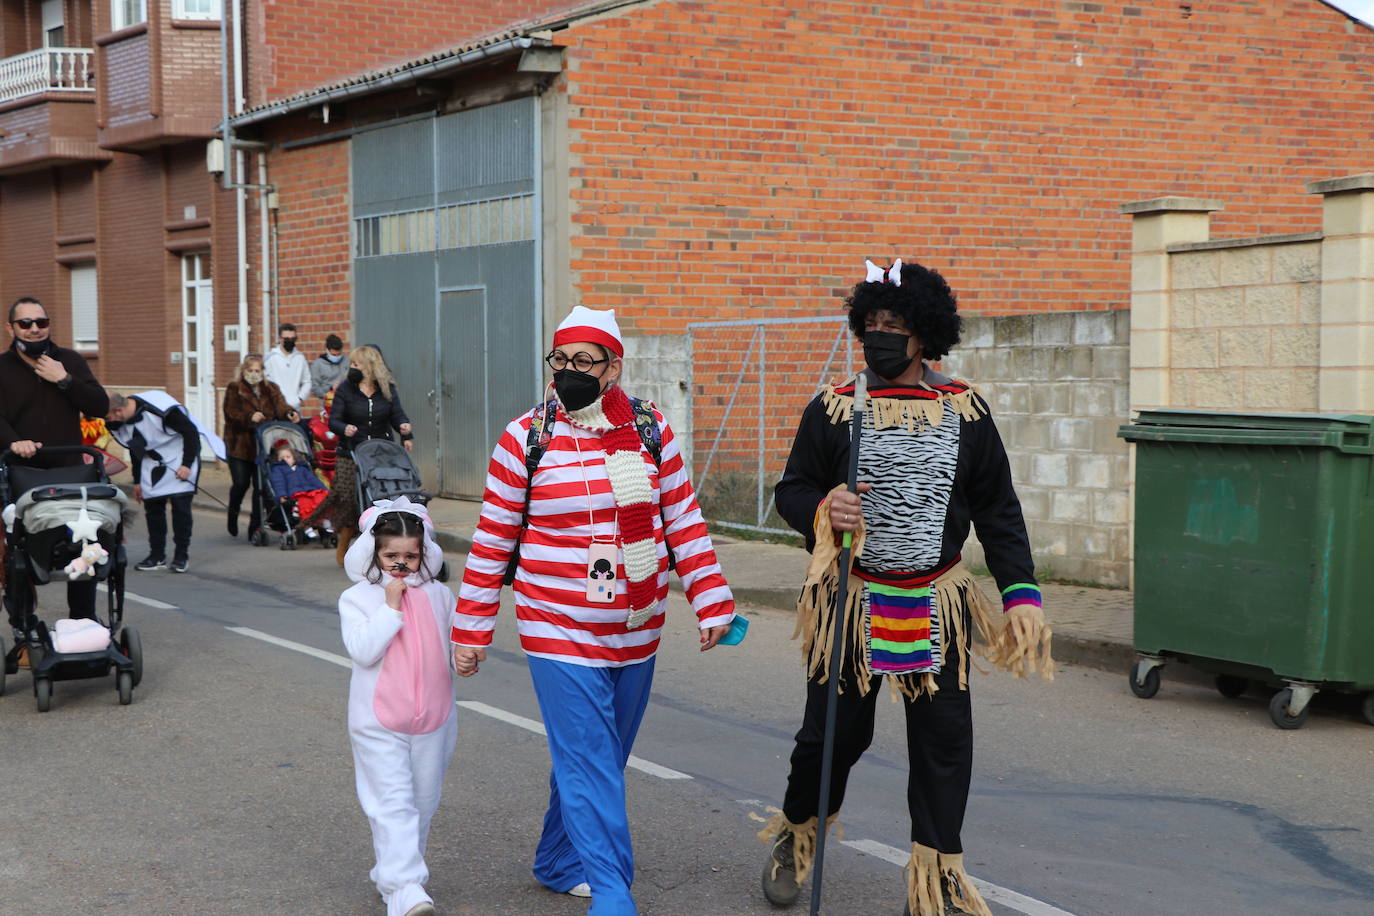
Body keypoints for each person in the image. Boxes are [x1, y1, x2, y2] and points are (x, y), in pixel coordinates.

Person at [757, 261, 1053, 916]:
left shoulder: (965, 411)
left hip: (936, 602)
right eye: (871, 325)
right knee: (831, 739)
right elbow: (792, 490)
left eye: (895, 325)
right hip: (852, 603)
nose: (881, 336)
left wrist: (1021, 593)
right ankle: (796, 834)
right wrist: (824, 508)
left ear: (925, 334)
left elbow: (998, 510)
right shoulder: (834, 409)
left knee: (944, 744)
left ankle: (935, 879)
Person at [451, 306, 736, 915]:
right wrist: (471, 629)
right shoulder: (525, 436)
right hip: (554, 622)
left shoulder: (652, 429)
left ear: (613, 367)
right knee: (589, 760)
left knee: (600, 757)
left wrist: (711, 602)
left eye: (586, 360)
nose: (570, 371)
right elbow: (493, 539)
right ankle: (612, 892)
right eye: (562, 359)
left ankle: (557, 859)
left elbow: (681, 521)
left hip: (636, 624)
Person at [340, 498, 467, 916]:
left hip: (434, 718)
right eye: (391, 555)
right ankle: (407, 888)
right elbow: (363, 651)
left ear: (424, 554)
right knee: (392, 802)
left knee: (423, 804)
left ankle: (394, 880)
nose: (401, 564)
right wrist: (390, 608)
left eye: (410, 556)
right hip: (377, 720)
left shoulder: (439, 596)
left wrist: (462, 657)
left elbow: (450, 646)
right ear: (372, 553)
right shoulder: (358, 598)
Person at [0, 297, 109, 624]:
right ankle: (23, 628)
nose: (34, 329)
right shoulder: (2, 367)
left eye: (41, 322)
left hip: (70, 471)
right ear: (11, 328)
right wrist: (13, 442)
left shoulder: (70, 361)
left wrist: (64, 379)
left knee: (83, 547)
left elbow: (100, 406)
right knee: (17, 557)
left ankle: (83, 621)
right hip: (21, 472)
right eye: (26, 323)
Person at [305, 345, 413, 566]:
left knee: (381, 497)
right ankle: (344, 542)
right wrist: (344, 428)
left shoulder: (387, 388)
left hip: (380, 453)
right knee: (348, 500)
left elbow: (397, 414)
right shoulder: (346, 389)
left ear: (370, 367)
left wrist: (405, 430)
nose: (352, 368)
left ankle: (384, 545)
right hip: (351, 452)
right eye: (351, 364)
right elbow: (334, 419)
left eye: (356, 364)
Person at [106, 390, 223, 574]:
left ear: (119, 410)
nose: (110, 420)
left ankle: (181, 556)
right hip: (151, 461)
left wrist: (186, 465)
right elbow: (135, 448)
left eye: (110, 415)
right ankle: (157, 555)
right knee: (153, 509)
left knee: (180, 509)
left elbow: (191, 432)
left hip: (179, 455)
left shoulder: (160, 411)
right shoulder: (119, 424)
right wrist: (137, 482)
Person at [222, 354, 297, 538]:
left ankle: (255, 526)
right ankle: (233, 513)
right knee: (240, 483)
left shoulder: (271, 388)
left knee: (260, 486)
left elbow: (281, 406)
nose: (254, 374)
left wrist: (289, 413)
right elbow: (230, 413)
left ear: (263, 372)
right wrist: (249, 417)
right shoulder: (235, 388)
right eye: (250, 370)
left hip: (263, 446)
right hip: (240, 446)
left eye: (257, 371)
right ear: (243, 371)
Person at [268, 444, 328, 539]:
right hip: (295, 494)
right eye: (282, 458)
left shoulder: (302, 469)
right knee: (303, 503)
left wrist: (324, 489)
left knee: (321, 498)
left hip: (310, 491)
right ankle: (306, 526)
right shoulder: (278, 469)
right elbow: (279, 483)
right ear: (277, 460)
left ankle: (324, 522)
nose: (285, 459)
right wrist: (282, 495)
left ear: (294, 458)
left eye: (288, 457)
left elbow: (313, 480)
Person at [263, 322, 311, 416]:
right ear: (280, 339)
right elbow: (265, 381)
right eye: (286, 339)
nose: (290, 341)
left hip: (294, 408)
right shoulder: (270, 357)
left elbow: (307, 381)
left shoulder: (300, 358)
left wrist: (300, 398)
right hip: (275, 408)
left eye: (293, 339)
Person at [310, 333, 349, 400]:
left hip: (346, 401)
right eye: (333, 354)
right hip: (328, 403)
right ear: (327, 350)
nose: (337, 357)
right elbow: (315, 388)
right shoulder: (317, 364)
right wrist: (330, 389)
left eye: (339, 354)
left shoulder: (347, 360)